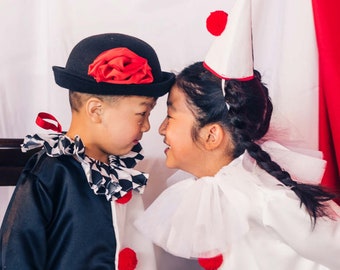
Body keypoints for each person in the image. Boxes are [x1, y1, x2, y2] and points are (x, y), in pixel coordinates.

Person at [135, 61, 340, 270]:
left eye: (170, 116)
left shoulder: (269, 199)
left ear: (212, 135)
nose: (161, 129)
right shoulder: (212, 191)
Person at [0, 33, 175, 270]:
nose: (146, 126)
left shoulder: (122, 173)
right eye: (142, 113)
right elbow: (17, 255)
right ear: (96, 110)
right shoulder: (53, 173)